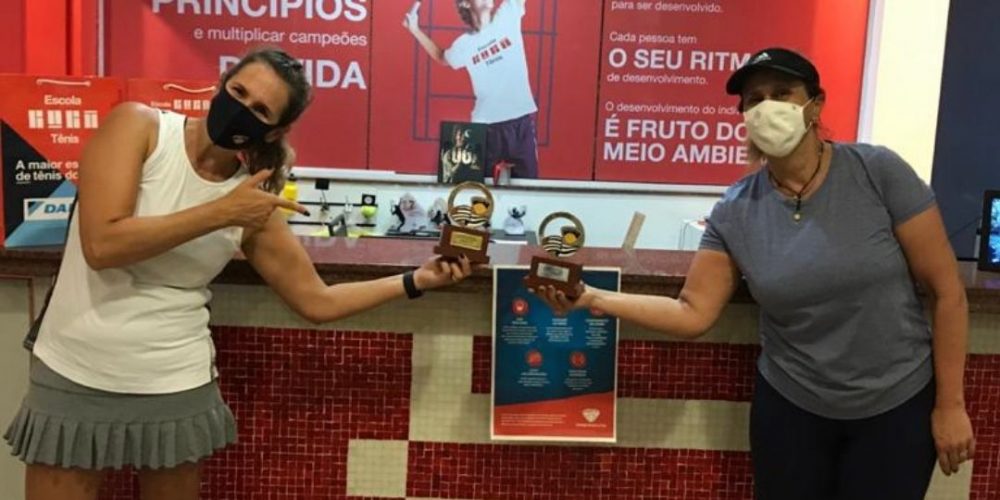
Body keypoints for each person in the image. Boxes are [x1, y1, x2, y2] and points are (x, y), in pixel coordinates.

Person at [4, 47, 473, 500]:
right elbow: (103, 245)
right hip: (74, 366)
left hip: (174, 383)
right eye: (238, 91)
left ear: (273, 132)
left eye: (260, 110)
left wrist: (416, 280)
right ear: (221, 85)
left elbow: (316, 301)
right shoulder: (140, 128)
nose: (242, 109)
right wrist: (222, 212)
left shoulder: (252, 205)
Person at [533, 48, 974, 500]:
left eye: (782, 93)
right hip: (793, 410)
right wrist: (592, 298)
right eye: (754, 99)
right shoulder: (736, 209)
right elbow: (692, 312)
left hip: (896, 407)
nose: (767, 107)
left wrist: (951, 405)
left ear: (815, 105)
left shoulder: (877, 173)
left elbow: (947, 293)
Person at [404, 0, 540, 179]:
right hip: (484, 128)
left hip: (520, 123)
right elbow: (441, 57)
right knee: (474, 189)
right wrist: (414, 29)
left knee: (529, 188)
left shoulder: (508, 14)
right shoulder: (463, 44)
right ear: (466, 4)